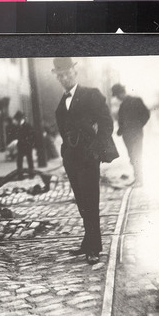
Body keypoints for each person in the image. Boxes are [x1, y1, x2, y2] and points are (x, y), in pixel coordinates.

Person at [53, 57, 119, 265]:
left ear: (75, 72)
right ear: (58, 77)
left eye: (67, 73)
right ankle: (87, 240)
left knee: (90, 202)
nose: (64, 78)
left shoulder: (91, 95)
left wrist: (96, 149)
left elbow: (107, 124)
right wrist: (65, 154)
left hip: (89, 158)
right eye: (60, 75)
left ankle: (94, 247)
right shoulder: (60, 106)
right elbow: (64, 133)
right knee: (82, 203)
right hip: (72, 160)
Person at [111, 83, 150, 186]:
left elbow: (146, 114)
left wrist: (139, 125)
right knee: (132, 156)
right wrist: (120, 131)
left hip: (136, 134)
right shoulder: (123, 105)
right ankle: (137, 178)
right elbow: (122, 121)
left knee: (136, 154)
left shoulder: (136, 101)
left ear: (122, 92)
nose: (118, 98)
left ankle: (139, 180)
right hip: (127, 136)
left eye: (118, 95)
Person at [14, 111, 35, 177]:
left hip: (27, 145)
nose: (18, 120)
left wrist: (29, 142)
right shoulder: (17, 126)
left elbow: (32, 135)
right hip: (20, 146)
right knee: (19, 160)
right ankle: (20, 175)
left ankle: (31, 174)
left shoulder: (28, 125)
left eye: (18, 119)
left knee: (29, 159)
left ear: (21, 118)